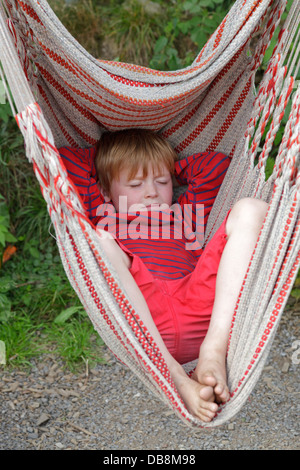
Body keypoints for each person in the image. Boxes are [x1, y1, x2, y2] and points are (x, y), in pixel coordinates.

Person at [94, 129, 268, 422]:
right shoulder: (102, 216)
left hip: (203, 309)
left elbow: (215, 166)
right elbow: (62, 163)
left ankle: (213, 352)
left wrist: (169, 165)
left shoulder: (186, 212)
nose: (151, 191)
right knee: (97, 241)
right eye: (136, 184)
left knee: (253, 209)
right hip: (146, 319)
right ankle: (175, 375)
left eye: (162, 182)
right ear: (105, 192)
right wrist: (106, 155)